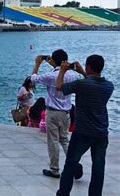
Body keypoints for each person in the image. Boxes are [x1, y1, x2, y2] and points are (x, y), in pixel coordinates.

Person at [56, 55, 114, 196]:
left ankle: (63, 194)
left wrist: (62, 70)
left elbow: (59, 87)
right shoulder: (108, 86)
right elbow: (92, 81)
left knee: (71, 164)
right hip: (101, 133)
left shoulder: (82, 84)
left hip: (82, 132)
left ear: (88, 67)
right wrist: (83, 72)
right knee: (98, 167)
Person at [31, 49, 80, 178]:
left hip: (53, 112)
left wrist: (37, 64)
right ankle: (74, 164)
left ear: (54, 60)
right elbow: (60, 69)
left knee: (53, 141)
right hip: (66, 112)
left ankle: (54, 169)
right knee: (64, 139)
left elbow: (34, 78)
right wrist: (52, 62)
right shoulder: (73, 75)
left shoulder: (51, 76)